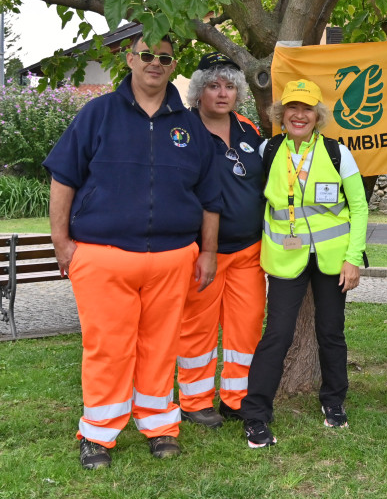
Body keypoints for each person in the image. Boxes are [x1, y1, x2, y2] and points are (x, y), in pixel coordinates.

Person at [43, 35, 222, 469]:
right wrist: (61, 242)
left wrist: (208, 253)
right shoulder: (97, 113)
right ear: (130, 59)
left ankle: (160, 425)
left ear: (172, 64)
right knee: (108, 347)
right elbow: (63, 179)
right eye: (146, 55)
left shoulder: (190, 124)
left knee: (160, 346)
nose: (154, 64)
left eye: (163, 58)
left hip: (173, 257)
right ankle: (99, 435)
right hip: (104, 256)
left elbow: (210, 197)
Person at [239, 79, 368, 448]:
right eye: (292, 108)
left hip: (332, 260)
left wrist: (353, 258)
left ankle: (334, 402)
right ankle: (256, 415)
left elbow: (359, 207)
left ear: (317, 116)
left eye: (307, 109)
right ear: (282, 114)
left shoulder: (338, 153)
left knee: (330, 332)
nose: (299, 115)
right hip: (285, 258)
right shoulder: (268, 149)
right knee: (277, 334)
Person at [176, 53, 267, 429]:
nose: (222, 93)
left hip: (249, 250)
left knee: (246, 327)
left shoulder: (248, 128)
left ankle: (237, 398)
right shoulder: (181, 129)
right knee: (197, 328)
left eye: (229, 86)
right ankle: (194, 401)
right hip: (203, 253)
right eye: (214, 85)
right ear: (199, 91)